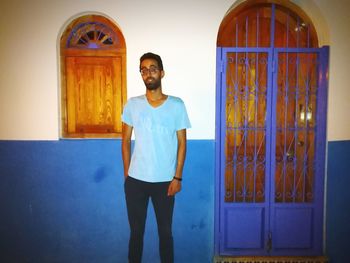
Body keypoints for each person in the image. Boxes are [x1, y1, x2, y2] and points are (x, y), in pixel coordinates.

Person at [121, 52, 191, 263]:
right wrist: (128, 176)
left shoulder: (176, 105)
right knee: (136, 235)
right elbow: (124, 141)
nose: (148, 73)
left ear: (161, 72)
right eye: (144, 70)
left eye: (152, 69)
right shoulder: (132, 105)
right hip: (136, 182)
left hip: (165, 183)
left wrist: (177, 178)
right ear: (141, 75)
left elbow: (182, 143)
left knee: (165, 234)